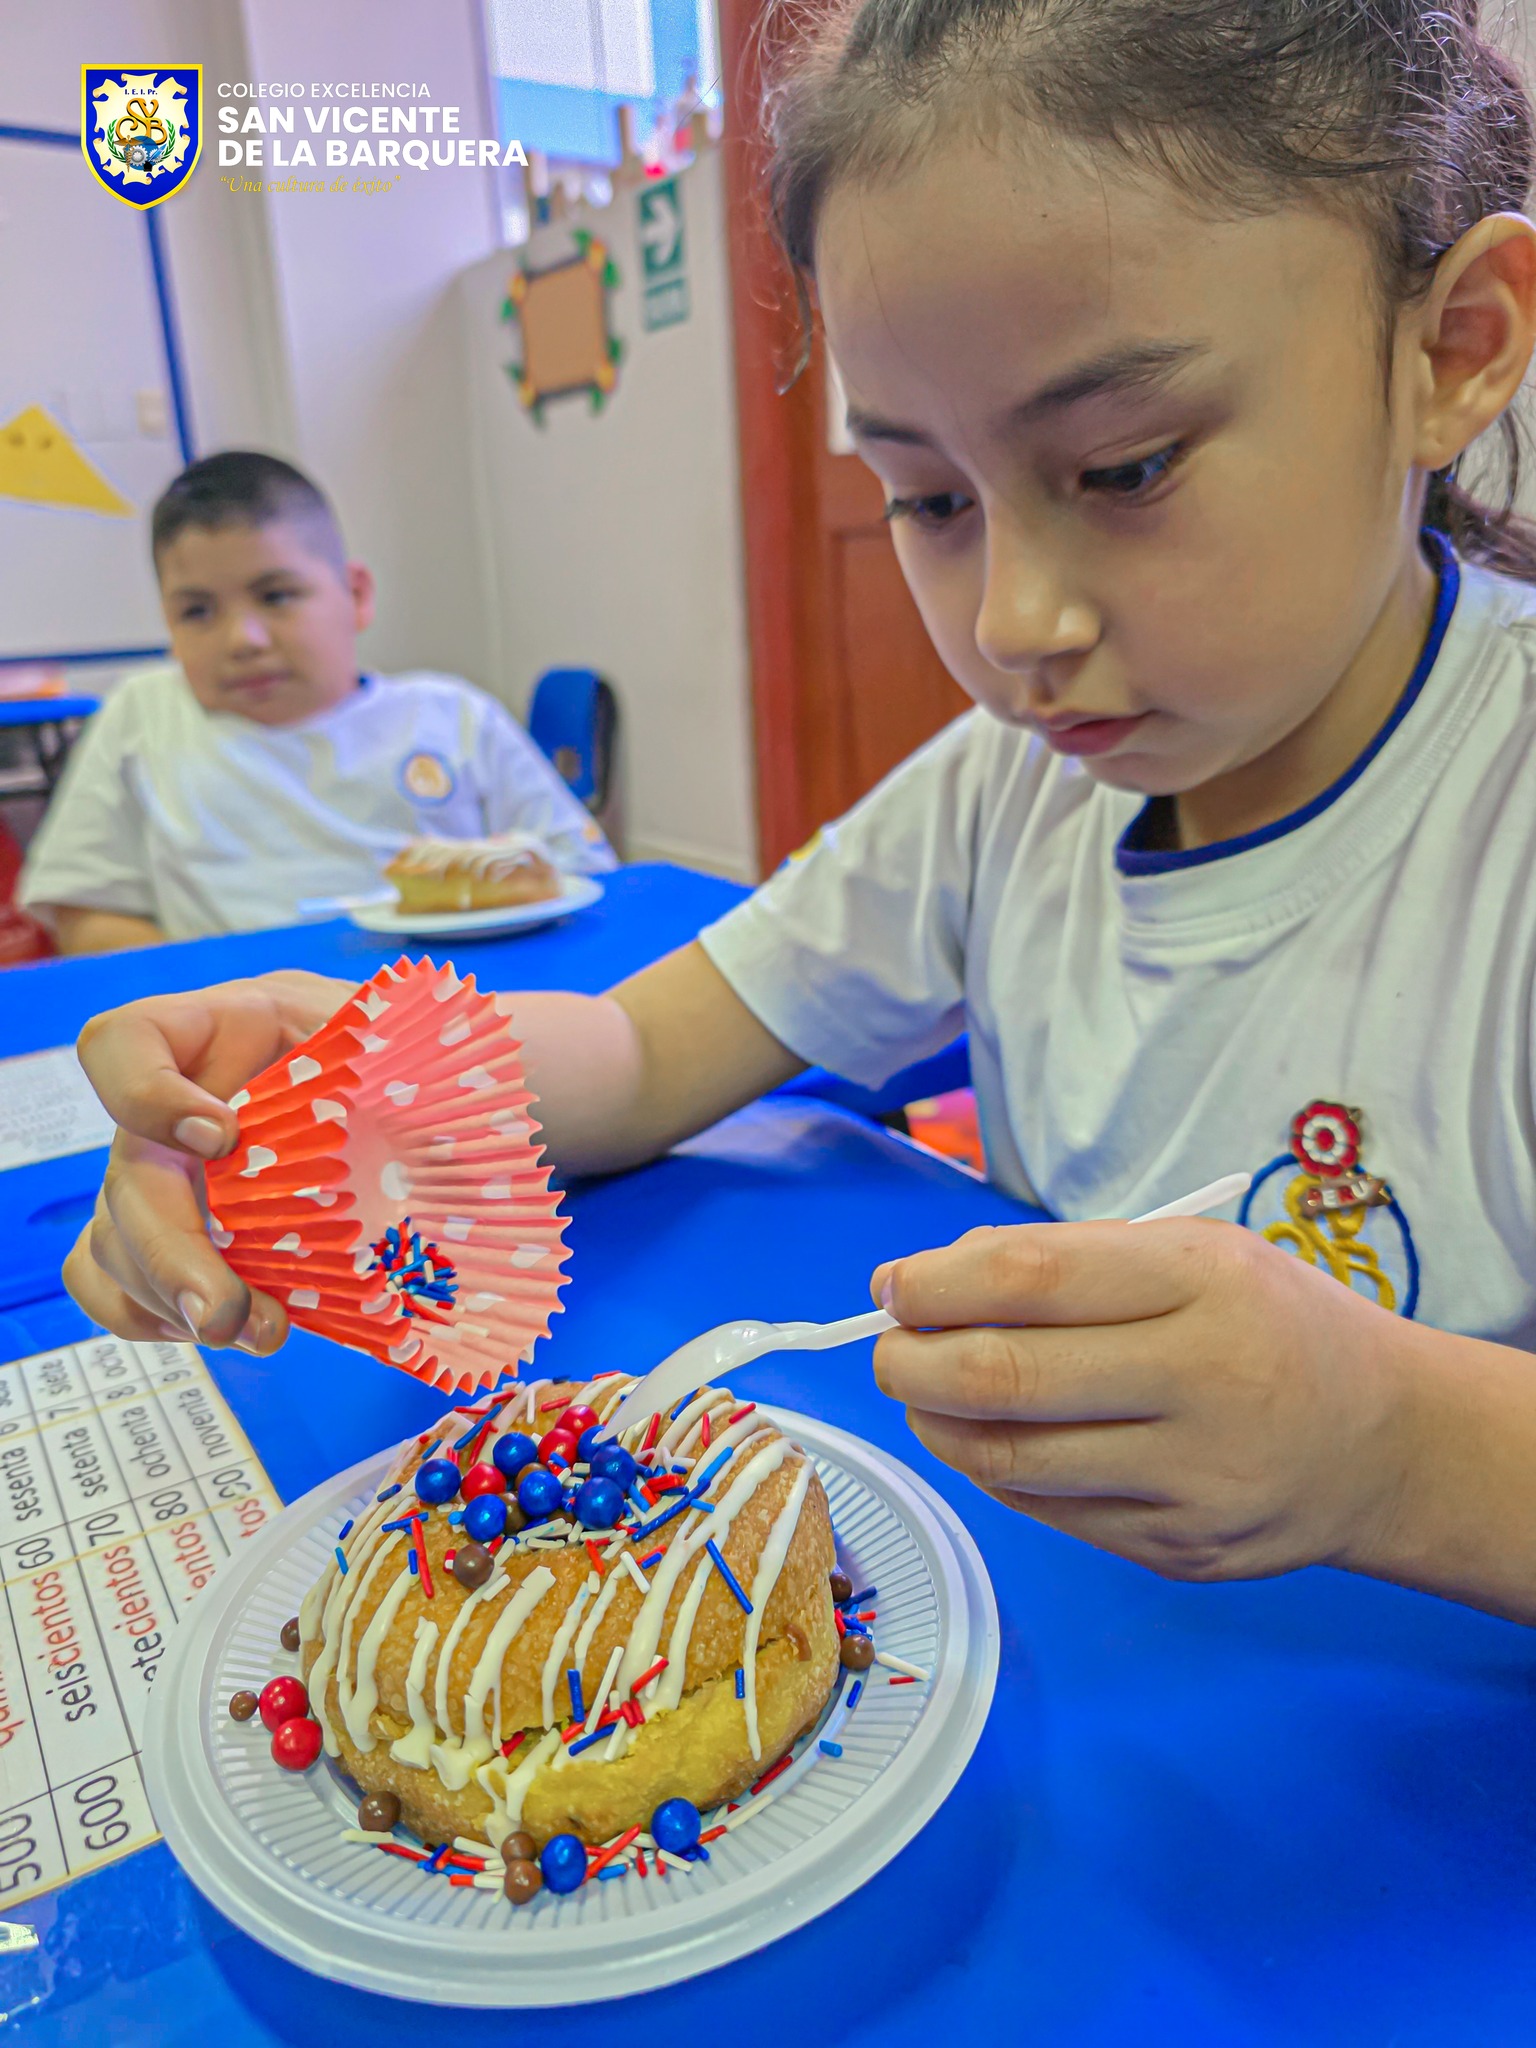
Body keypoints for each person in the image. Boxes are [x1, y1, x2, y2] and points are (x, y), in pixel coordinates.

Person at [60, 0, 1536, 1625]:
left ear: (1453, 349)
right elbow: (643, 1056)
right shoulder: (1008, 786)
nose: (1013, 624)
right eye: (929, 498)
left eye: (1126, 467)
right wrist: (353, 1087)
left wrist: (1393, 1442)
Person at [18, 451, 614, 951]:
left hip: (452, 1002)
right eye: (197, 611)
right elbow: (83, 913)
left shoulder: (452, 717)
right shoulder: (143, 716)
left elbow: (584, 876)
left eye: (276, 596)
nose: (243, 640)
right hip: (236, 1022)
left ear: (355, 595)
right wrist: (212, 998)